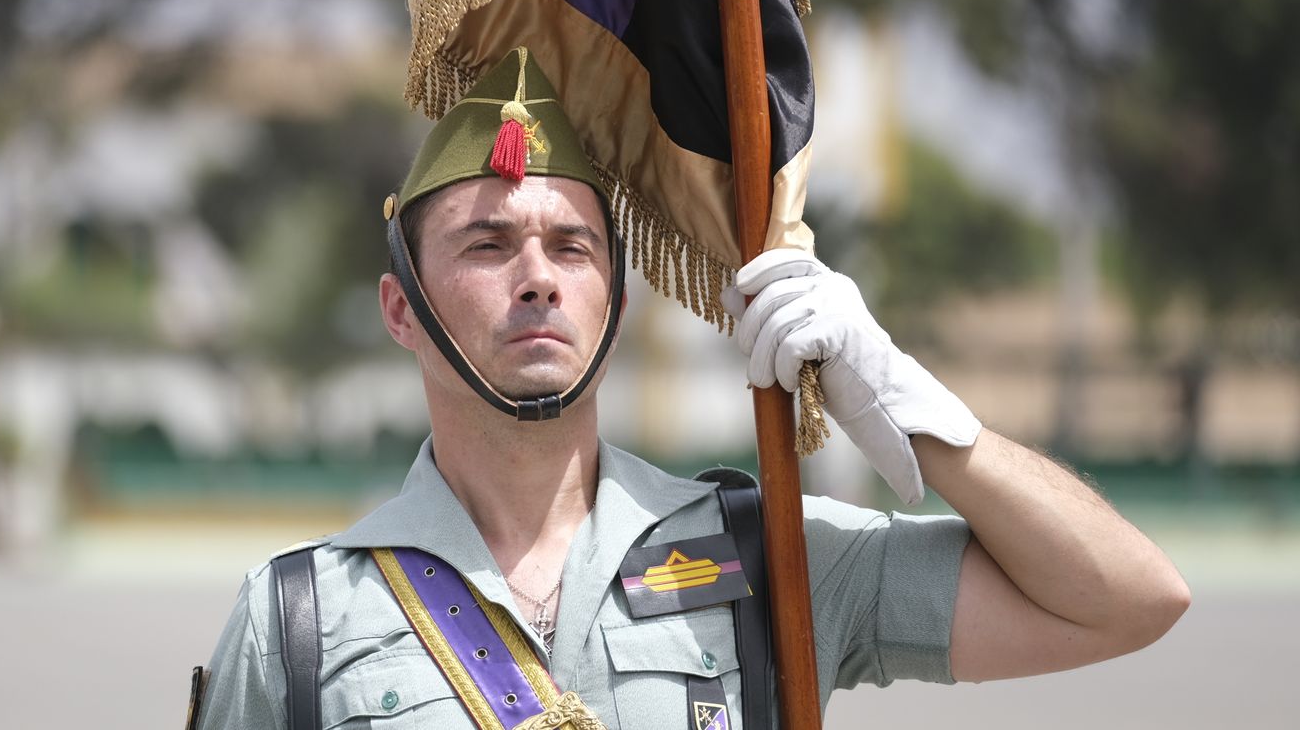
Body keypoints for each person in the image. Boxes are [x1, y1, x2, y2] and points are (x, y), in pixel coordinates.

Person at [190, 48, 1189, 729]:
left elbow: (1128, 601)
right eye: (487, 245)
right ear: (399, 310)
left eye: (571, 247)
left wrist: (909, 406)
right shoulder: (301, 616)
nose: (536, 274)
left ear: (616, 308)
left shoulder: (764, 553)